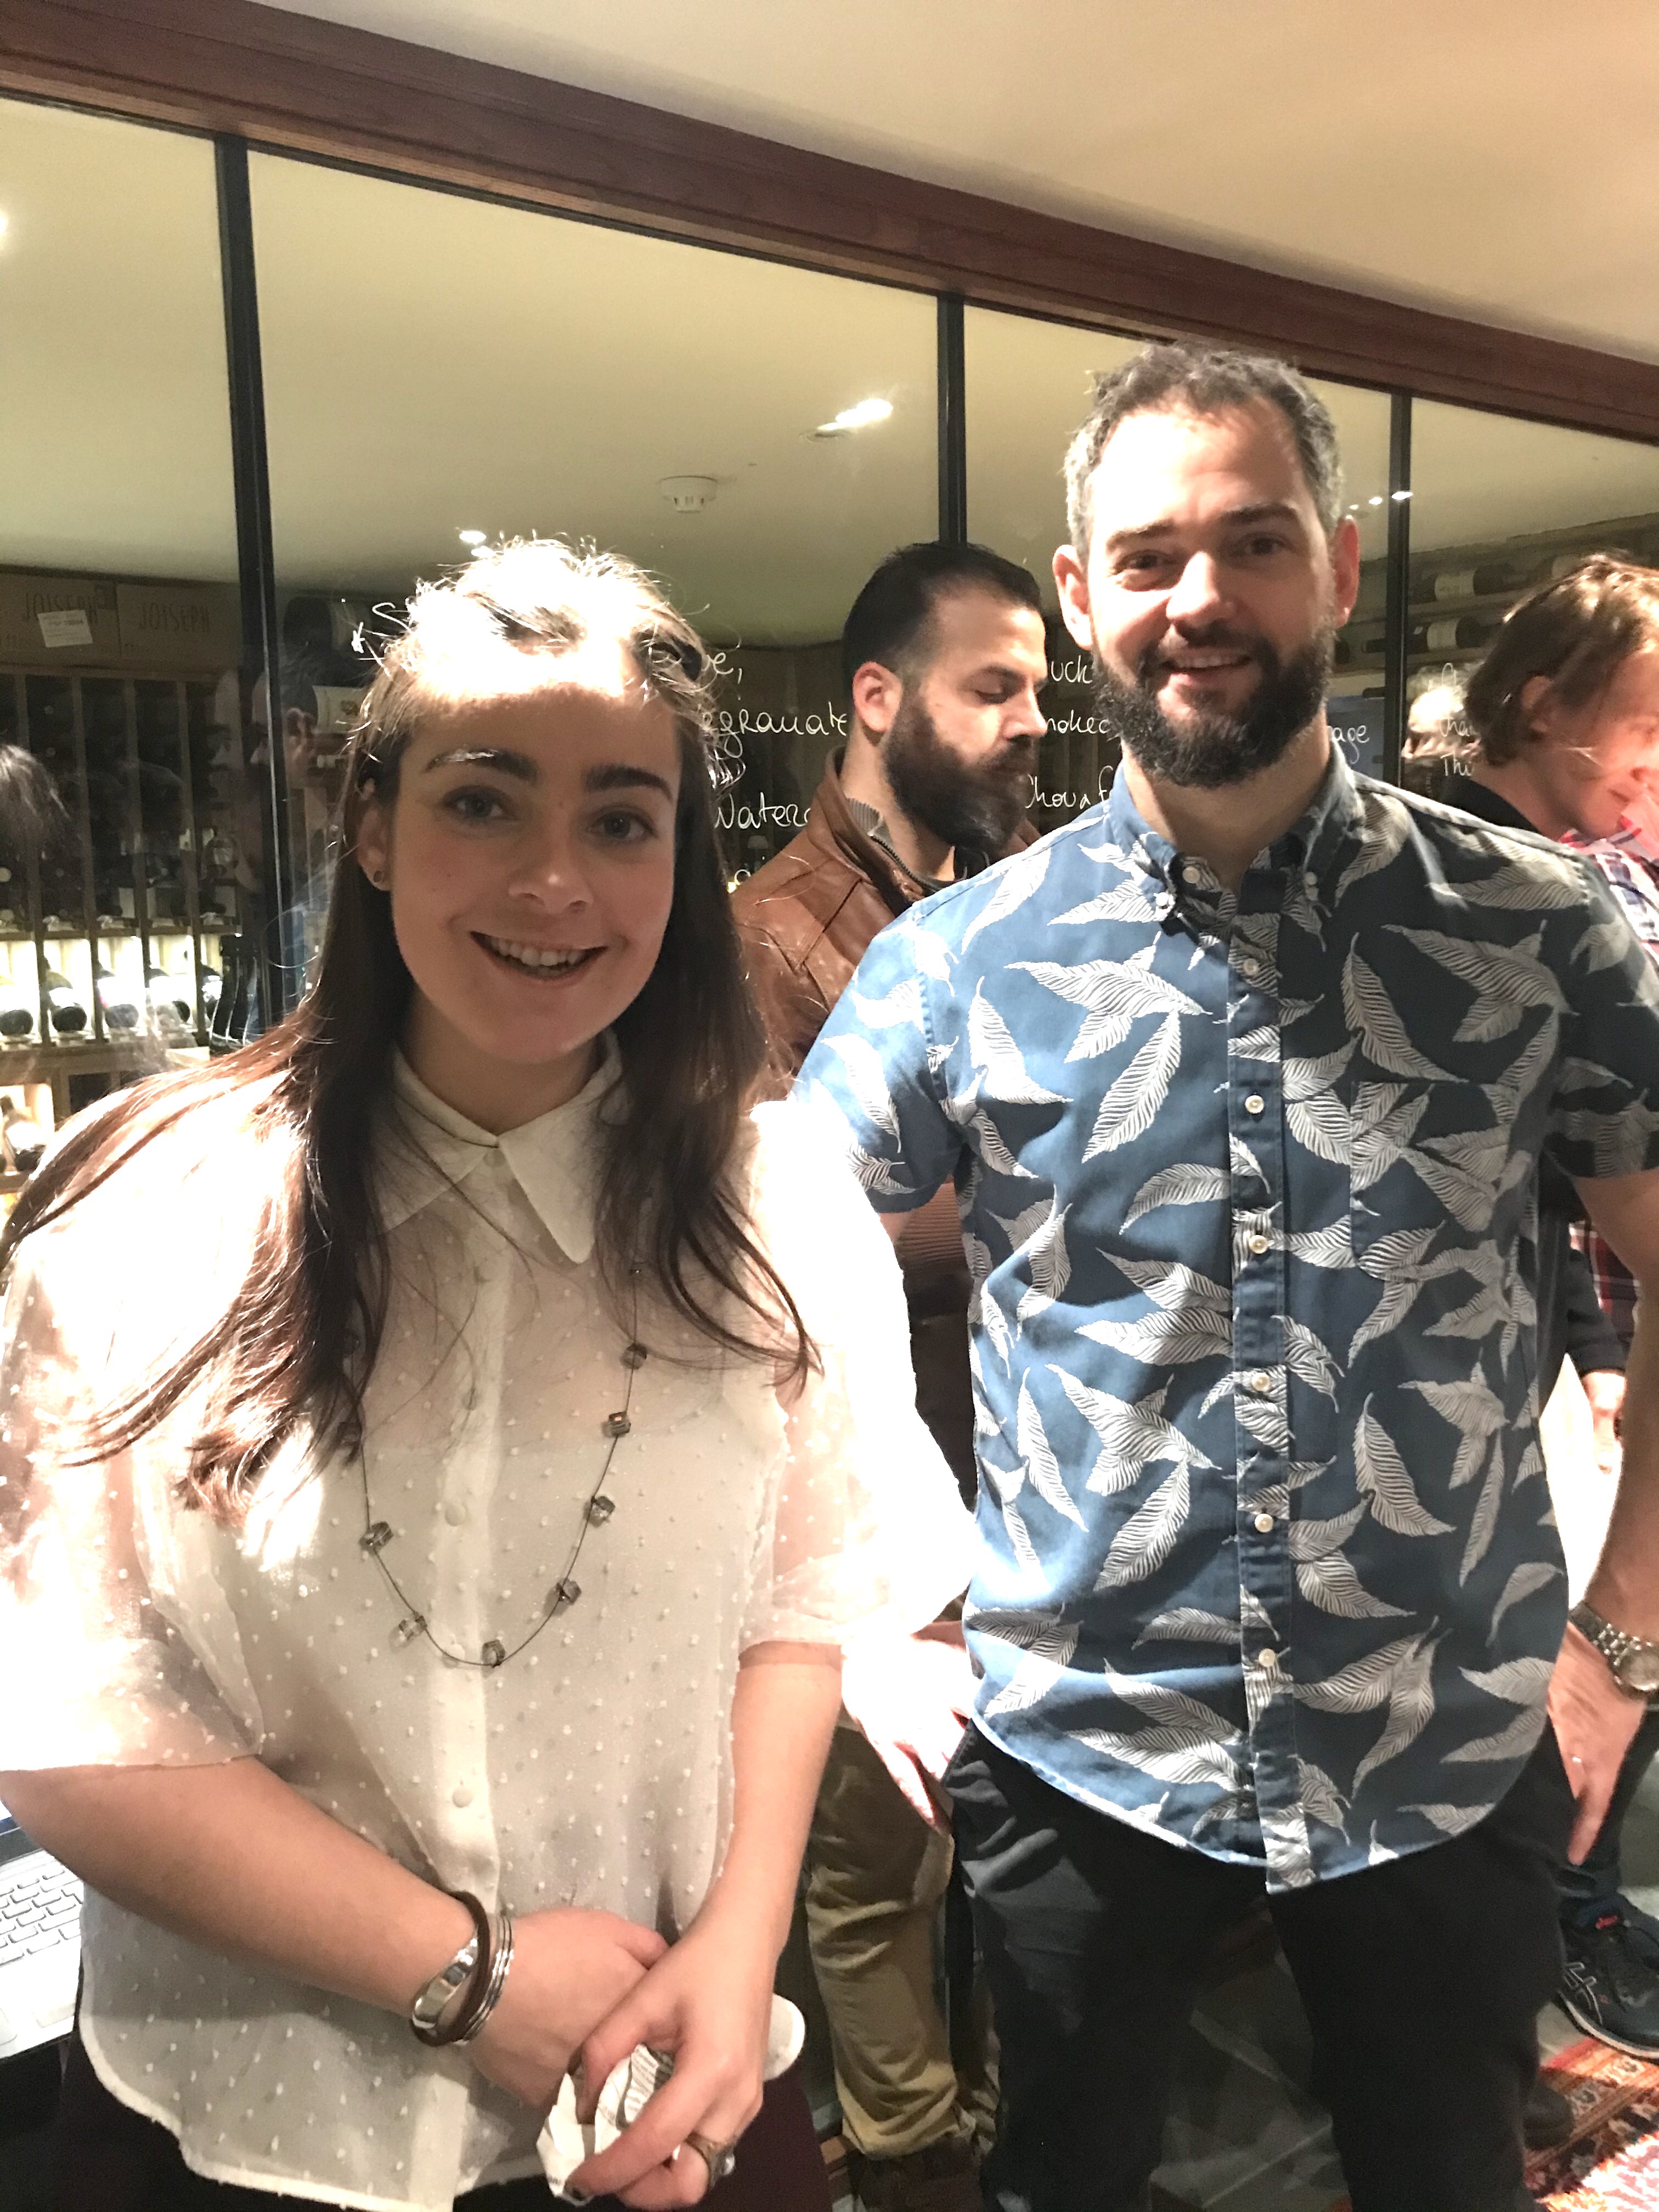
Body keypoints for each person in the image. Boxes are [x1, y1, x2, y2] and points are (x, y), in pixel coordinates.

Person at [0, 540, 973, 2212]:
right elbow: (66, 1712)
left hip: (663, 2099)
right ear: (374, 825)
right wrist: (464, 1973)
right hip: (236, 2123)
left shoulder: (782, 1214)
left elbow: (799, 1610)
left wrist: (742, 1943)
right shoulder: (147, 1212)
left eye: (621, 820)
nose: (554, 881)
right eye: (482, 802)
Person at [795, 342, 1659, 2212]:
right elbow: (764, 1278)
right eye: (1148, 556)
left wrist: (1622, 1635)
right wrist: (866, 1616)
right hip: (1079, 1751)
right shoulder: (959, 960)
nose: (1201, 597)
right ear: (1080, 593)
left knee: (1446, 2182)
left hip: (1446, 1744)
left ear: (1336, 567)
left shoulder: (1535, 932)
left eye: (1253, 542)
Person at [732, 540, 1048, 2212]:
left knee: (999, 1833)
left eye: (1039, 691)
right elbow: (797, 1227)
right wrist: (1060, 1187)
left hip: (1016, 1465)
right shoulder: (769, 935)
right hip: (865, 1483)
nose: (1031, 723)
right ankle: (915, 2168)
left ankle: (986, 2135)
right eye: (993, 688)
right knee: (875, 1866)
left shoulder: (1005, 908)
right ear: (877, 699)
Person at [1458, 554, 1659, 2062]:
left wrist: (1594, 1348)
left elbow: (1580, 1161)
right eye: (1643, 721)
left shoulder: (1593, 889)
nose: (1654, 761)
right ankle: (1537, 1937)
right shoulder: (1494, 895)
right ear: (1548, 707)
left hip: (1542, 1350)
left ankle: (1537, 1935)